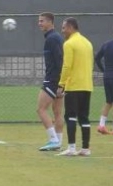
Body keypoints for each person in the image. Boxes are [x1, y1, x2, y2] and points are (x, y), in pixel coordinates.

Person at [56, 18, 94, 157]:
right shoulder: (88, 43)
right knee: (84, 117)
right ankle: (85, 148)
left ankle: (71, 148)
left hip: (73, 85)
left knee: (70, 116)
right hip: (87, 85)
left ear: (71, 27)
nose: (62, 31)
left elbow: (67, 66)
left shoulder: (69, 44)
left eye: (64, 28)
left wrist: (61, 84)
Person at [36, 12, 65, 151]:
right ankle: (58, 142)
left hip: (53, 79)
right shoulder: (54, 37)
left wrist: (60, 82)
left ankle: (53, 140)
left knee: (41, 109)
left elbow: (60, 60)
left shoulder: (52, 38)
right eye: (39, 21)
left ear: (50, 22)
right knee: (57, 112)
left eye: (42, 21)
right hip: (59, 80)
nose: (39, 23)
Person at [95, 25, 113, 135]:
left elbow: (97, 58)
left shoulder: (106, 44)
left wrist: (104, 70)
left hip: (107, 75)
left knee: (109, 101)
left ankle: (101, 125)